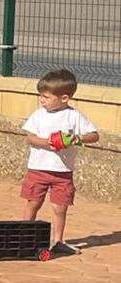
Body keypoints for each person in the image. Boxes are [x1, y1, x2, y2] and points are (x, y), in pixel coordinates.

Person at [19, 68, 99, 256]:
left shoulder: (74, 116)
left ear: (64, 98)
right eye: (41, 95)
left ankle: (58, 241)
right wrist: (47, 142)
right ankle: (23, 236)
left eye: (46, 96)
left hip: (62, 172)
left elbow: (94, 136)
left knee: (59, 207)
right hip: (38, 169)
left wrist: (75, 139)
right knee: (33, 202)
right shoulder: (39, 115)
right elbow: (29, 138)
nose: (42, 99)